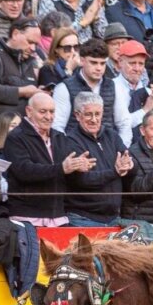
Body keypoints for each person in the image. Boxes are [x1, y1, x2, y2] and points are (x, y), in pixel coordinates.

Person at [1, 91, 92, 225]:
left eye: (52, 112)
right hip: (26, 216)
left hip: (58, 216)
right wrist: (62, 168)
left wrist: (78, 168)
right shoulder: (15, 137)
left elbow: (67, 175)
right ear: (29, 111)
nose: (48, 117)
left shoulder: (60, 137)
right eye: (43, 112)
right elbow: (24, 171)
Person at [62, 91, 135, 227]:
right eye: (89, 114)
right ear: (77, 115)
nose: (94, 119)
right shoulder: (70, 141)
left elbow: (128, 158)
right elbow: (83, 180)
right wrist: (115, 172)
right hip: (83, 219)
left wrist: (129, 164)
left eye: (98, 114)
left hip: (113, 218)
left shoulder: (111, 135)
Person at [0, 18, 42, 122]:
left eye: (36, 44)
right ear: (15, 34)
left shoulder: (29, 61)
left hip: (21, 130)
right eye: (30, 42)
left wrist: (38, 92)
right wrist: (22, 91)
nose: (33, 48)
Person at [53, 37, 117, 135]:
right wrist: (69, 149)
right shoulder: (64, 88)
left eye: (102, 63)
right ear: (82, 61)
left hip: (108, 147)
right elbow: (57, 126)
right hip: (76, 147)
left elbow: (124, 123)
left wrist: (121, 147)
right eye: (94, 62)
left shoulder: (113, 86)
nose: (99, 68)